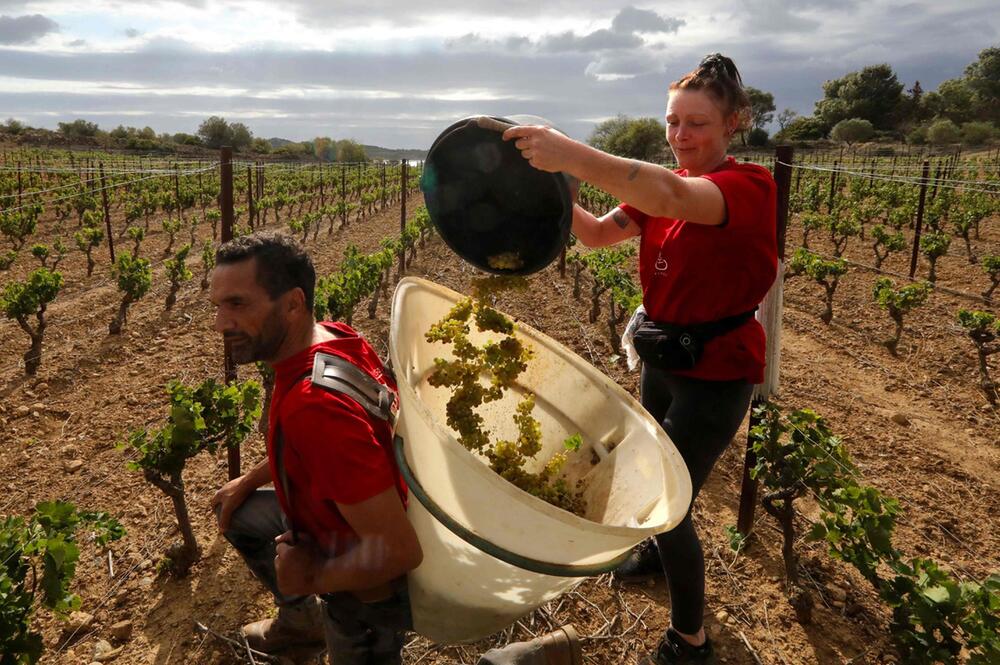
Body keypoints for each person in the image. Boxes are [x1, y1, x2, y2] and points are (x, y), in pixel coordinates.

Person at [503, 54, 778, 665]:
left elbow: (669, 192)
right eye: (673, 122)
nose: (681, 136)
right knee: (654, 482)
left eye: (697, 124)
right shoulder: (664, 191)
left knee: (664, 498)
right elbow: (600, 232)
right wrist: (555, 192)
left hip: (716, 372)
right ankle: (654, 554)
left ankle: (690, 639)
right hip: (662, 354)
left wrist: (572, 153)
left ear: (734, 124)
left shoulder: (745, 188)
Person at [208, 232, 583, 665]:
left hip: (370, 583)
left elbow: (397, 551)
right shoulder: (332, 338)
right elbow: (319, 447)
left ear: (293, 304)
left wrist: (312, 575)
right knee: (236, 513)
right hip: (348, 515)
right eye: (218, 305)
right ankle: (301, 626)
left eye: (238, 304)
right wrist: (249, 480)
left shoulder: (314, 409)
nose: (220, 323)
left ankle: (519, 659)